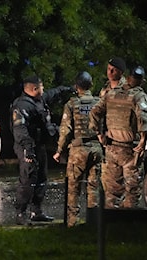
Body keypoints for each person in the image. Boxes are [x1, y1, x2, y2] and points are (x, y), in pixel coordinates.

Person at [11, 75, 74, 225]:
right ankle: (21, 213)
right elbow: (20, 130)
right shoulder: (22, 106)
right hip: (27, 146)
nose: (43, 89)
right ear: (34, 89)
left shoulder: (38, 100)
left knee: (41, 178)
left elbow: (51, 94)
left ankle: (36, 211)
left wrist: (65, 89)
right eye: (41, 87)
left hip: (39, 145)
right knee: (28, 179)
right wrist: (28, 149)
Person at [89, 66, 147, 209]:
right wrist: (143, 140)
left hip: (111, 148)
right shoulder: (138, 96)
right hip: (130, 150)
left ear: (128, 78)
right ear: (141, 81)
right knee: (132, 191)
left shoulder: (111, 94)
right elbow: (143, 118)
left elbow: (94, 113)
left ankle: (111, 225)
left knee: (111, 192)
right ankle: (126, 224)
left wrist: (99, 134)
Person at [53, 71, 103, 227]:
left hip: (78, 150)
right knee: (93, 187)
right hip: (96, 149)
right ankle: (93, 223)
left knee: (73, 188)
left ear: (76, 86)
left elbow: (65, 129)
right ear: (91, 85)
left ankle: (72, 224)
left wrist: (59, 150)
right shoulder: (99, 102)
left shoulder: (71, 104)